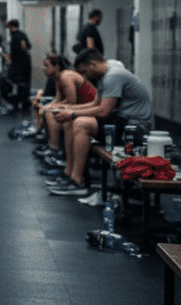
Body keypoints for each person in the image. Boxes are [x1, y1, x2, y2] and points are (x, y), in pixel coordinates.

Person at [48, 49, 151, 196]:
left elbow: (103, 111)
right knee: (70, 122)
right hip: (121, 120)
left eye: (84, 72)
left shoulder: (113, 76)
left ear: (92, 64)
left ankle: (78, 182)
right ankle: (69, 173)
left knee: (81, 123)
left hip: (134, 127)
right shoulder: (106, 73)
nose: (85, 77)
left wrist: (73, 113)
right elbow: (96, 103)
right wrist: (69, 109)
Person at [34, 54, 97, 169]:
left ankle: (55, 150)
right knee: (47, 109)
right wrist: (47, 106)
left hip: (88, 109)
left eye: (47, 65)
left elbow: (71, 101)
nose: (44, 68)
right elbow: (58, 100)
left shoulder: (66, 76)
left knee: (51, 113)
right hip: (79, 107)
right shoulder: (58, 78)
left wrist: (50, 108)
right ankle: (52, 146)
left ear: (56, 67)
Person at [6, 19, 33, 110]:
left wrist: (22, 52)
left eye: (9, 27)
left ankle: (19, 102)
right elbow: (27, 46)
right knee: (23, 82)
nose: (9, 29)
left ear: (12, 26)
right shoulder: (21, 34)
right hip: (22, 62)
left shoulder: (17, 35)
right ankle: (23, 102)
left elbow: (23, 45)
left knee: (19, 82)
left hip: (20, 64)